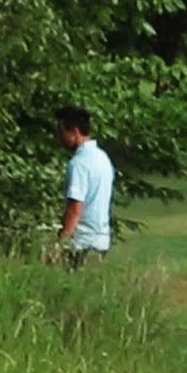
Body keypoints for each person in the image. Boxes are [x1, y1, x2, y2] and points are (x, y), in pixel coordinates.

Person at [53, 105, 115, 271]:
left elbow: (75, 208)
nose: (59, 137)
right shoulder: (103, 158)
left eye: (61, 131)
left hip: (82, 244)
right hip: (101, 241)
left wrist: (60, 245)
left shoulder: (79, 164)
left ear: (74, 131)